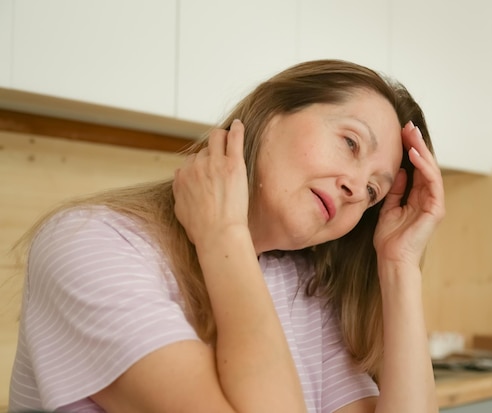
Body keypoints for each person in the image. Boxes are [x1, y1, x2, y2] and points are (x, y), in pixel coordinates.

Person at [8, 59, 445, 413]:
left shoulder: (302, 291)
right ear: (270, 115)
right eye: (350, 143)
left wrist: (399, 265)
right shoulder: (92, 244)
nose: (355, 189)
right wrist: (224, 236)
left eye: (374, 191)